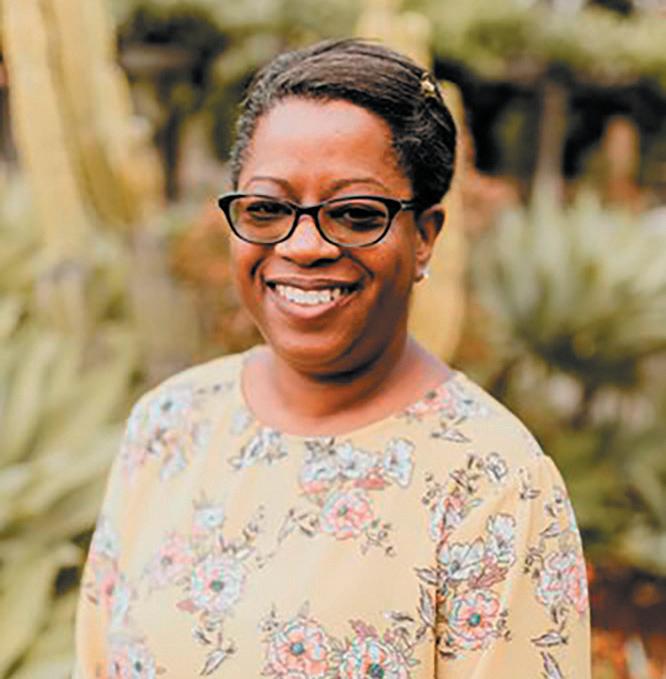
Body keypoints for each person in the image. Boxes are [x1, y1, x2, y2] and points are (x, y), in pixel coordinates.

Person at [73, 39, 590, 678]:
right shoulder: (170, 425)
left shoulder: (491, 484)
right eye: (267, 209)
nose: (304, 245)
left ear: (425, 237)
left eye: (355, 214)